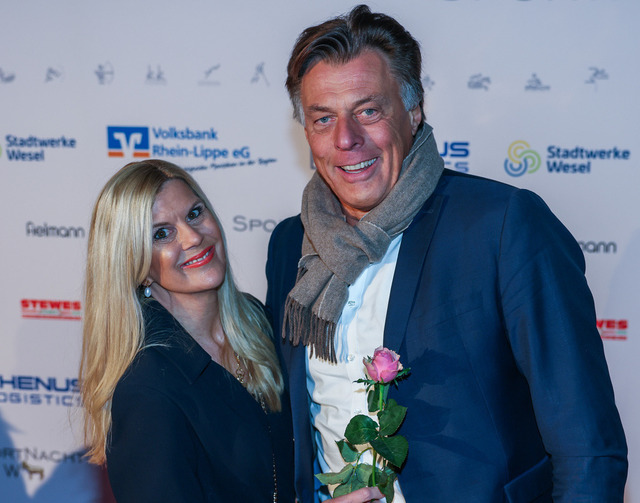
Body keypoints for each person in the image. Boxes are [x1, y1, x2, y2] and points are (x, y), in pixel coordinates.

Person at [266, 5, 628, 503]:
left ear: (413, 111)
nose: (346, 139)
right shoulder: (291, 244)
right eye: (323, 118)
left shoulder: (502, 225)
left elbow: (588, 447)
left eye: (368, 111)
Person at [79, 160, 295, 502]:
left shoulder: (257, 320)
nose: (193, 237)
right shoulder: (147, 385)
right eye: (161, 234)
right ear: (136, 264)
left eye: (194, 214)